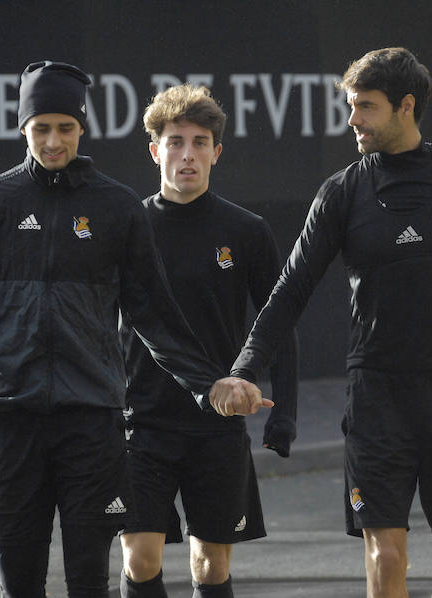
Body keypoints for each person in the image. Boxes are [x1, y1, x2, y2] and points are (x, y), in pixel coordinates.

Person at [212, 47, 432, 598]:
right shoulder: (342, 192)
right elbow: (290, 289)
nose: (352, 119)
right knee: (386, 556)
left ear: (406, 107)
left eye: (365, 107)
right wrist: (246, 367)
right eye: (351, 106)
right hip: (377, 396)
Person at [0, 61, 266, 598]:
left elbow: (155, 315)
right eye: (41, 128)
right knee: (20, 581)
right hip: (10, 416)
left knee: (88, 581)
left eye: (65, 128)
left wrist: (209, 383)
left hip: (94, 422)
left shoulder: (116, 207)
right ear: (22, 129)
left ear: (82, 129)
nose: (53, 141)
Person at [117, 84, 299, 598]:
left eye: (200, 142)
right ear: (155, 151)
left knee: (210, 566)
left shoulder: (246, 231)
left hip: (217, 426)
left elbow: (278, 322)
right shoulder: (129, 229)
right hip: (141, 420)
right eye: (175, 142)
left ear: (217, 153)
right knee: (140, 554)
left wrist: (283, 415)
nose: (187, 154)